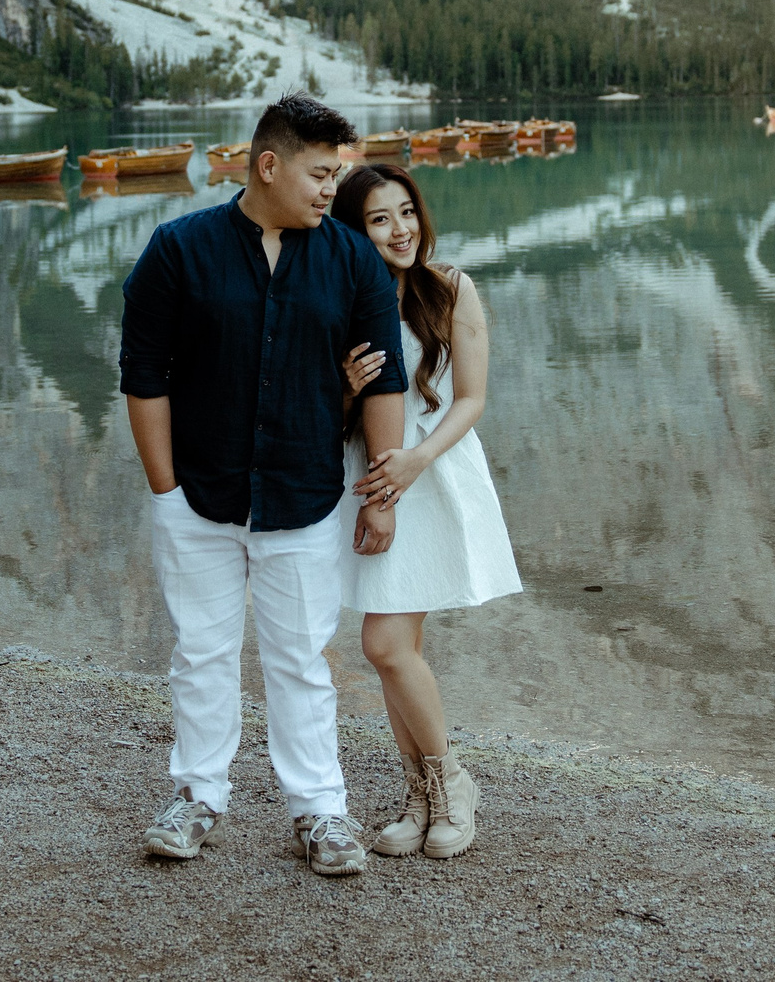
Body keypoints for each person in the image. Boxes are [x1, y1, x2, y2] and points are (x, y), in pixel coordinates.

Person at [118, 94, 410, 877]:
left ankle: (319, 812)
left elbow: (385, 385)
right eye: (320, 173)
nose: (330, 190)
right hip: (198, 498)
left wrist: (380, 496)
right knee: (201, 653)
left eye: (337, 174)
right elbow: (144, 379)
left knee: (301, 661)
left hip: (306, 497)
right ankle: (196, 798)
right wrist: (165, 492)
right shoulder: (178, 250)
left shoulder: (351, 260)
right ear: (268, 165)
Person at [335, 163, 522, 859]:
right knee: (392, 651)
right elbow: (332, 411)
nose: (400, 229)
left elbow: (471, 398)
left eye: (405, 211)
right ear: (354, 232)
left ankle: (448, 788)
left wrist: (416, 461)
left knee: (384, 646)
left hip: (430, 474)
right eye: (379, 218)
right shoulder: (345, 297)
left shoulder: (451, 288)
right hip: (374, 477)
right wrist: (347, 393)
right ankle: (424, 795)